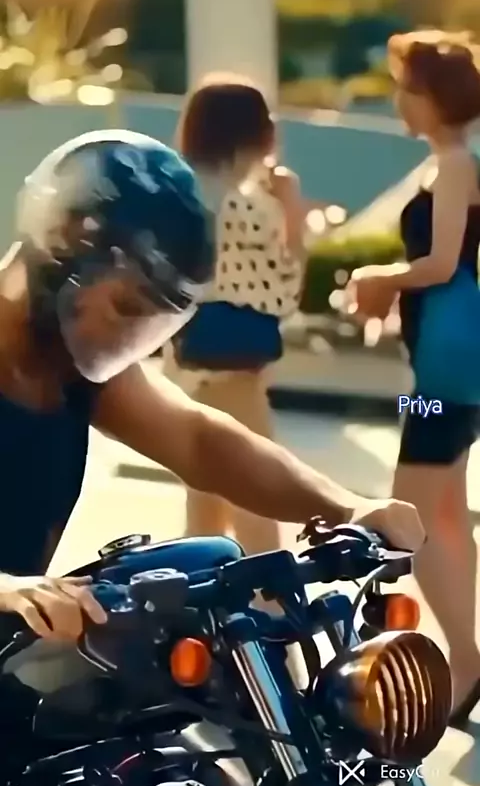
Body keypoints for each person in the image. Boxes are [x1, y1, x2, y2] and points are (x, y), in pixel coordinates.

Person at [0, 128, 424, 644]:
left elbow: (199, 440)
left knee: (209, 570)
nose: (126, 338)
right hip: (16, 613)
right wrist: (8, 588)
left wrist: (347, 508)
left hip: (13, 644)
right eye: (125, 308)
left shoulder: (67, 365)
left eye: (148, 323)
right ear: (60, 247)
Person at [346, 30, 480, 728]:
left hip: (448, 359)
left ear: (434, 97)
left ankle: (462, 659)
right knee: (447, 512)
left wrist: (378, 276)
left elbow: (442, 262)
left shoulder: (455, 164)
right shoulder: (446, 163)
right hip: (450, 354)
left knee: (411, 516)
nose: (399, 101)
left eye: (406, 88)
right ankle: (466, 657)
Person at [164, 74, 306, 555]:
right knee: (257, 501)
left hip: (186, 365)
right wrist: (292, 212)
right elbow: (283, 292)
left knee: (204, 511)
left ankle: (195, 600)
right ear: (255, 132)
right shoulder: (248, 207)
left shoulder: (179, 194)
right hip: (235, 374)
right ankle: (271, 599)